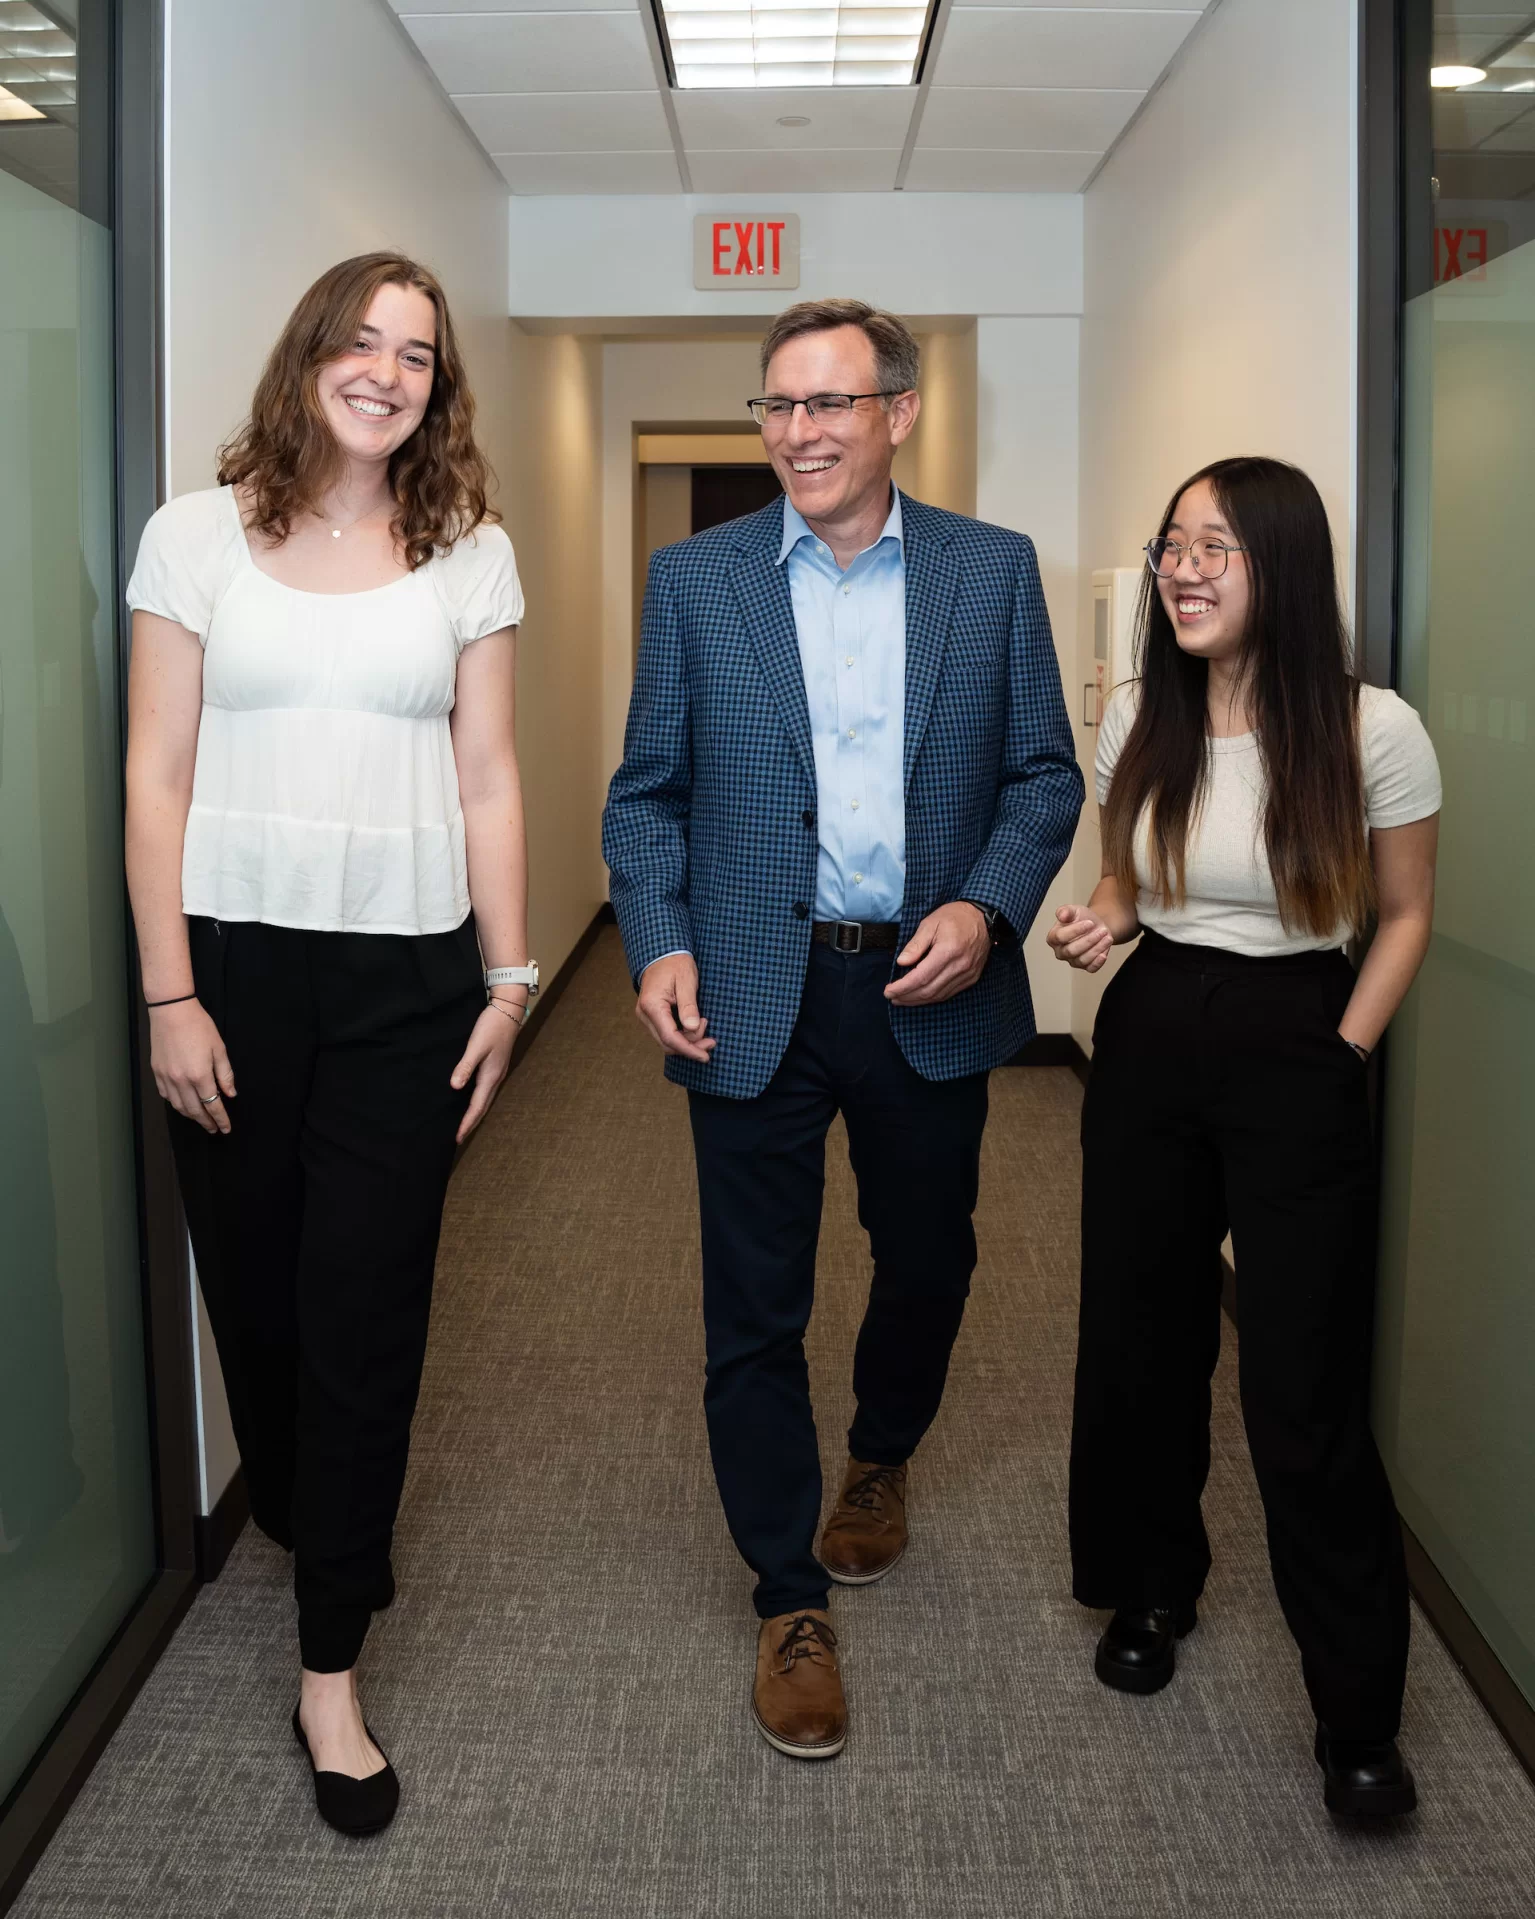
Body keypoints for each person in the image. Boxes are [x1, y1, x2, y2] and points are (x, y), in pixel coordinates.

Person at [603, 298, 1083, 1760]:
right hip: (752, 988)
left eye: (829, 403)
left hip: (926, 987)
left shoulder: (991, 576)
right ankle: (785, 1590)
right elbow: (646, 793)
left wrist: (990, 908)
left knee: (928, 1253)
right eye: (777, 406)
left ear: (897, 414)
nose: (800, 431)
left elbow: (1042, 776)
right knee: (752, 1302)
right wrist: (661, 934)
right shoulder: (694, 583)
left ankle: (878, 1452)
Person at [124, 253, 534, 1836]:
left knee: (365, 1308)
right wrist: (168, 994)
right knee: (262, 1293)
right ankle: (309, 1508)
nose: (385, 370)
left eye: (416, 352)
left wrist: (508, 983)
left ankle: (329, 1662)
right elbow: (156, 773)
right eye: (358, 341)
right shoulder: (194, 531)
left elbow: (487, 774)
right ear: (307, 357)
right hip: (226, 970)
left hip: (409, 985)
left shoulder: (468, 550)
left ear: (440, 384)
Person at [1050, 456, 1440, 1818]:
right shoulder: (1137, 716)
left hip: (1298, 1035)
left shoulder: (1368, 727)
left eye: (1213, 544)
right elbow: (1122, 866)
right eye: (1169, 544)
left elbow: (1401, 916)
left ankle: (1356, 1716)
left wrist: (1341, 1051)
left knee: (1300, 1383)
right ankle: (1151, 1587)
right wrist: (1109, 914)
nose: (1181, 567)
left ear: (1282, 561)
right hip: (1153, 1027)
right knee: (1139, 1337)